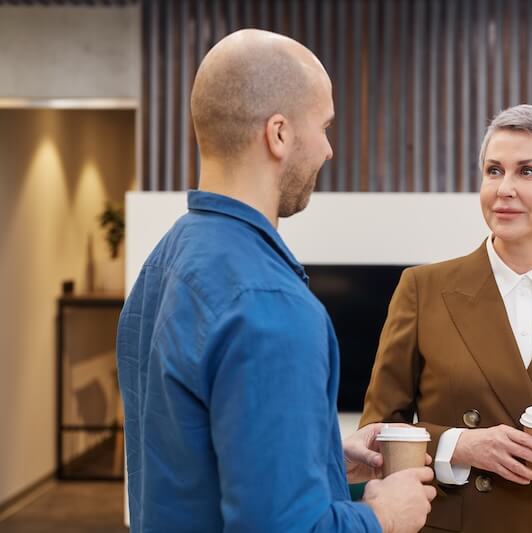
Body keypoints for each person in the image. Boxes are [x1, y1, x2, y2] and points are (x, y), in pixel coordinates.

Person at [116, 29, 435, 533]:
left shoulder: (164, 261)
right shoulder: (273, 306)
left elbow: (196, 459)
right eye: (325, 126)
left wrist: (323, 456)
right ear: (279, 133)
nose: (329, 150)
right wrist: (383, 517)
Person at [360, 104, 532, 532]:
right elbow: (378, 431)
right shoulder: (423, 288)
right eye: (493, 171)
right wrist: (461, 444)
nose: (503, 188)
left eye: (527, 172)